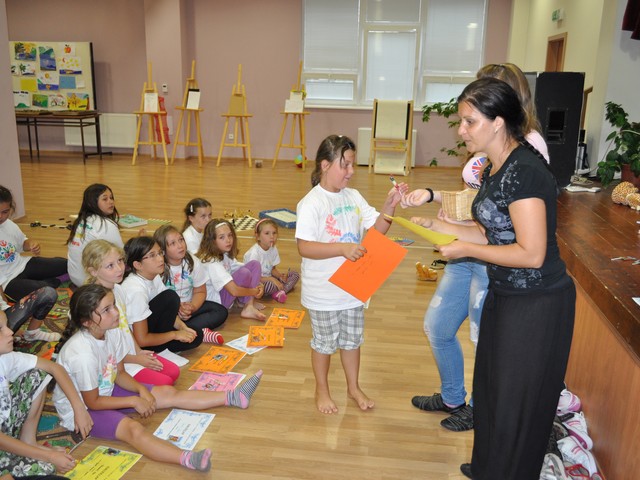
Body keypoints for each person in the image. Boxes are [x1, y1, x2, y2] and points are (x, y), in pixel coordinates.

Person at [417, 78, 575, 479]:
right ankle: (490, 467)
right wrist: (441, 228)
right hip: (505, 294)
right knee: (491, 393)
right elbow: (491, 231)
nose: (461, 130)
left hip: (537, 303)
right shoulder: (496, 166)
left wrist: (464, 249)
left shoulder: (526, 172)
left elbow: (531, 253)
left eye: (469, 121)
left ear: (499, 122)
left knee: (515, 403)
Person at [402, 62, 550, 432]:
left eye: (472, 117)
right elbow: (482, 204)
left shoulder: (525, 153)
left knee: (486, 343)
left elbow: (524, 242)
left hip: (494, 263)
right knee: (438, 327)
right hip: (469, 247)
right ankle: (453, 396)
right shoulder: (491, 154)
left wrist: (462, 240)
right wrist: (440, 220)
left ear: (502, 112)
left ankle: (480, 410)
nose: (463, 128)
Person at [52, 284, 263, 473]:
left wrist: (141, 390)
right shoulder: (82, 354)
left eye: (113, 305)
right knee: (133, 430)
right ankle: (188, 458)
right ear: (88, 322)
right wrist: (133, 400)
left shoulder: (111, 331)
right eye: (107, 310)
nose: (116, 312)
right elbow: (93, 402)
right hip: (82, 409)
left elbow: (119, 373)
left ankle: (233, 396)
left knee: (168, 393)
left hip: (104, 390)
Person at [295, 134, 407, 414]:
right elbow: (304, 247)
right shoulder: (311, 203)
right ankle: (322, 390)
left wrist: (390, 206)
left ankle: (353, 387)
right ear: (325, 165)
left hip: (353, 288)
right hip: (323, 292)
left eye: (352, 165)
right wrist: (342, 248)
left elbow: (377, 230)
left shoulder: (353, 196)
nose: (351, 171)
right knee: (324, 344)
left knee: (352, 341)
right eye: (344, 165)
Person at [0, 308, 92, 477]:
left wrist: (79, 408)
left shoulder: (5, 357)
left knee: (36, 374)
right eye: (0, 329)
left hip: (4, 428)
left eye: (6, 325)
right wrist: (49, 456)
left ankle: (29, 442)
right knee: (47, 468)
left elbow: (54, 367)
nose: (10, 332)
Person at [82, 239, 181, 386]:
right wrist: (135, 359)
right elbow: (102, 350)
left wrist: (138, 351)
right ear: (93, 271)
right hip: (114, 363)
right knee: (165, 382)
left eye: (120, 261)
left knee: (173, 372)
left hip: (129, 353)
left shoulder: (118, 289)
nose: (119, 269)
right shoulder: (93, 303)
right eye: (110, 266)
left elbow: (126, 328)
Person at [0, 186, 67, 343]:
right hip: (7, 282)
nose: (1, 216)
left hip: (22, 264)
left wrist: (30, 244)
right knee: (46, 290)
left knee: (64, 264)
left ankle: (48, 281)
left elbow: (22, 243)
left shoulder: (8, 225)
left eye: (5, 212)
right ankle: (47, 282)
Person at [121, 236, 201, 353]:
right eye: (152, 255)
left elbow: (168, 311)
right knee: (170, 297)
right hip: (141, 345)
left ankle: (164, 343)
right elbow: (141, 340)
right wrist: (174, 335)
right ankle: (160, 346)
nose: (160, 259)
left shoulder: (153, 276)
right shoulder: (136, 291)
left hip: (154, 330)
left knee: (196, 334)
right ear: (138, 265)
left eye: (159, 253)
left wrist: (183, 328)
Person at [153, 225, 227, 343]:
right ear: (162, 250)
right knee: (159, 324)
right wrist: (177, 310)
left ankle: (190, 331)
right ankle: (196, 332)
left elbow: (200, 291)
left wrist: (192, 307)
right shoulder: (158, 268)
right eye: (173, 243)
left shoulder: (192, 261)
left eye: (181, 240)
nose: (180, 245)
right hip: (169, 314)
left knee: (220, 311)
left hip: (188, 309)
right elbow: (156, 303)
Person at [196, 219, 266, 321]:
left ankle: (248, 305)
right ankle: (247, 305)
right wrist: (254, 291)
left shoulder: (223, 253)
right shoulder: (212, 262)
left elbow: (240, 267)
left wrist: (259, 284)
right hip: (218, 303)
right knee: (244, 273)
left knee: (255, 265)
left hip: (225, 294)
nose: (228, 240)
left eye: (230, 235)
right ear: (212, 241)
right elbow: (234, 291)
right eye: (222, 237)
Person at [66, 184, 124, 287]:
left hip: (74, 277)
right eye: (105, 199)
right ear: (92, 203)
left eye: (111, 198)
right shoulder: (106, 225)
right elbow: (122, 255)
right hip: (90, 281)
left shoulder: (81, 221)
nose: (111, 202)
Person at [243, 218, 300, 303]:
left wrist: (280, 276)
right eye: (267, 233)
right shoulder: (254, 254)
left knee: (295, 274)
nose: (272, 236)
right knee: (269, 286)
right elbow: (254, 278)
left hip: (269, 278)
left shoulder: (273, 248)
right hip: (256, 282)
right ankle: (281, 290)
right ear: (257, 236)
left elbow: (272, 269)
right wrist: (273, 280)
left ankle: (280, 292)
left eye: (274, 233)